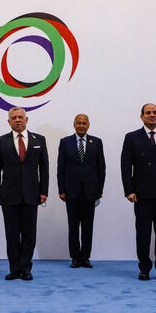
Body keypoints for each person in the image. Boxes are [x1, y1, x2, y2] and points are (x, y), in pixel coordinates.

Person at [120, 103, 156, 281]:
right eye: (148, 113)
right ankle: (144, 268)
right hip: (142, 194)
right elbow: (125, 166)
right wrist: (129, 190)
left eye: (155, 112)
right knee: (143, 233)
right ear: (141, 116)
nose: (152, 115)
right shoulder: (132, 137)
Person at [0, 106, 48, 281]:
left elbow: (44, 168)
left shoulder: (39, 139)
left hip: (32, 195)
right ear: (9, 122)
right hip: (8, 195)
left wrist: (44, 191)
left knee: (29, 234)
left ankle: (26, 268)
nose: (17, 120)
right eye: (13, 118)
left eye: (20, 117)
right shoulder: (1, 141)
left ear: (26, 120)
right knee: (12, 234)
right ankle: (14, 268)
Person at [57, 113, 105, 268]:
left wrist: (99, 190)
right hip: (71, 191)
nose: (81, 126)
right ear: (74, 124)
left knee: (87, 227)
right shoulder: (65, 142)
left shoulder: (96, 142)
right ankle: (75, 257)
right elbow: (61, 168)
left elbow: (101, 168)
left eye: (84, 123)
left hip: (90, 192)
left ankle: (85, 257)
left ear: (88, 125)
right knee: (73, 226)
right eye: (79, 123)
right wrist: (61, 190)